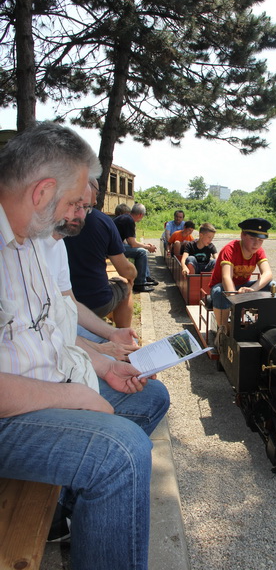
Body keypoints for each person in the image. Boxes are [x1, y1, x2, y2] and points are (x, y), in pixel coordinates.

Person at [0, 122, 170, 570]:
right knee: (122, 455)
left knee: (149, 396)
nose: (82, 213)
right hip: (10, 413)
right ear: (42, 193)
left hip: (46, 384)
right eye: (76, 202)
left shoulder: (36, 238)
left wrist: (99, 360)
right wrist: (70, 395)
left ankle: (74, 512)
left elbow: (51, 326)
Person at [39, 184, 139, 361]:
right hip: (47, 349)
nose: (82, 215)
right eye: (76, 205)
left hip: (62, 329)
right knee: (125, 287)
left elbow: (70, 302)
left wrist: (113, 333)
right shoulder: (26, 247)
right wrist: (100, 350)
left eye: (86, 208)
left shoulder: (59, 243)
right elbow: (44, 331)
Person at [64, 179, 137, 327]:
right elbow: (125, 269)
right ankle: (124, 333)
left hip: (63, 302)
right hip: (94, 303)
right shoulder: (102, 221)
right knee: (125, 284)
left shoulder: (53, 225)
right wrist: (134, 275)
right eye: (96, 194)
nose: (96, 201)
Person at [209, 218, 276, 334]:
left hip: (243, 287)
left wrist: (252, 290)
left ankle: (265, 326)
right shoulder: (231, 249)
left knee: (275, 286)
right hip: (224, 287)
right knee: (219, 291)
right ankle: (223, 330)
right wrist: (236, 299)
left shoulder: (258, 251)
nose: (256, 243)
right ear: (242, 235)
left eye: (260, 240)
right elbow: (226, 277)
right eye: (252, 238)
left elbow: (268, 274)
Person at [113, 203, 158, 293]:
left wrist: (145, 245)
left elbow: (131, 242)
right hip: (111, 249)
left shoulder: (126, 218)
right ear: (141, 215)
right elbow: (133, 244)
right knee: (142, 252)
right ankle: (139, 283)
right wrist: (148, 247)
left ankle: (145, 276)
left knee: (142, 249)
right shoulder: (129, 221)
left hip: (113, 246)